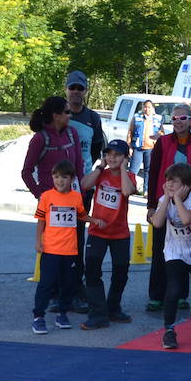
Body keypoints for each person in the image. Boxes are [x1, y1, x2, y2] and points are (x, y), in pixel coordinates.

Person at [21, 95, 86, 312]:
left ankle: (72, 293)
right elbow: (26, 171)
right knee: (53, 252)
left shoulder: (72, 133)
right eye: (66, 112)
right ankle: (53, 295)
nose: (70, 115)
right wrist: (40, 194)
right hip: (52, 207)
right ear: (55, 115)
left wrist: (80, 193)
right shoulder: (40, 139)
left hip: (72, 203)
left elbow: (78, 165)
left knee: (74, 250)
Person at [144, 104, 191, 312]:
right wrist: (151, 205)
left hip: (186, 205)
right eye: (174, 118)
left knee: (187, 250)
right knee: (160, 249)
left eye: (182, 118)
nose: (178, 121)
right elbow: (153, 174)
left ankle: (181, 295)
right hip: (163, 202)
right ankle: (156, 295)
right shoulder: (162, 142)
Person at [79, 139, 137, 329]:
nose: (112, 158)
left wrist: (122, 169)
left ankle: (113, 307)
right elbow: (84, 185)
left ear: (125, 158)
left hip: (119, 233)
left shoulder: (128, 176)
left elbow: (128, 191)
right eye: (109, 154)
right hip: (98, 231)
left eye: (117, 155)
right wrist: (99, 167)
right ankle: (97, 313)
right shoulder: (100, 174)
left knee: (121, 271)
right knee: (92, 270)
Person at [32, 161, 92, 334]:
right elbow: (41, 220)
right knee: (46, 284)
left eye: (64, 177)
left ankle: (62, 313)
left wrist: (95, 220)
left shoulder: (76, 197)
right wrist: (38, 240)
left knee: (68, 284)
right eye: (56, 177)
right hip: (50, 249)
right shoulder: (47, 196)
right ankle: (38, 317)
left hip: (70, 250)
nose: (59, 181)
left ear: (72, 179)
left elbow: (81, 215)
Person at [150, 162, 191, 349]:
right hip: (174, 250)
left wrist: (178, 200)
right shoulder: (164, 199)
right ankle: (169, 330)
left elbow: (187, 219)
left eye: (174, 181)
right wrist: (166, 198)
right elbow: (157, 223)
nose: (169, 184)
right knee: (173, 289)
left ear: (186, 185)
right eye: (167, 180)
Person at [63, 70, 107, 176]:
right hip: (59, 179)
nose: (76, 91)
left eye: (80, 88)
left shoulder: (93, 118)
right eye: (72, 87)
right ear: (65, 89)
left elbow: (96, 147)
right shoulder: (56, 114)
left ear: (86, 91)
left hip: (83, 178)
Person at [129, 100, 162, 193]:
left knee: (149, 170)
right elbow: (130, 132)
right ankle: (131, 188)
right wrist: (130, 146)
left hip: (150, 148)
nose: (147, 109)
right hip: (138, 147)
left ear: (153, 109)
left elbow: (161, 132)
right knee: (133, 170)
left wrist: (157, 137)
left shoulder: (158, 119)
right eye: (145, 107)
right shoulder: (136, 117)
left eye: (149, 107)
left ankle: (146, 190)